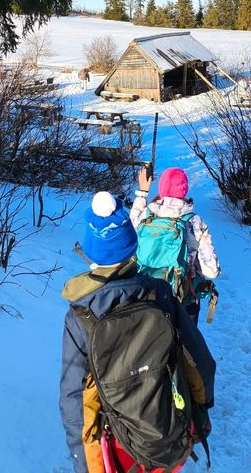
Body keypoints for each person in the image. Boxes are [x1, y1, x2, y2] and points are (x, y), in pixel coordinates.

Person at [60, 191, 215, 473]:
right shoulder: (161, 294)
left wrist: (85, 465)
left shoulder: (81, 316)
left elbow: (74, 400)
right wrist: (201, 409)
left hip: (118, 450)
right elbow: (198, 361)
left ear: (90, 252)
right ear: (133, 246)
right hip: (169, 433)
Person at [130, 166, 220, 324]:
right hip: (182, 300)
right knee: (185, 347)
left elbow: (132, 222)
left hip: (144, 294)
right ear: (184, 191)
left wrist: (143, 193)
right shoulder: (194, 222)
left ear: (162, 189)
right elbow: (211, 271)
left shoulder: (147, 215)